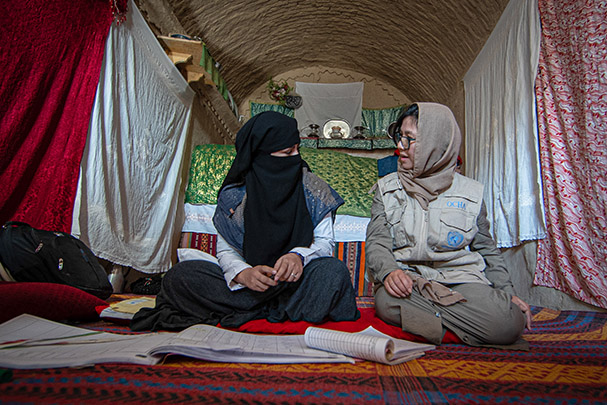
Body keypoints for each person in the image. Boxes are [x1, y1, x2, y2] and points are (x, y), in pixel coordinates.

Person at [131, 111, 359, 331]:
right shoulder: (235, 196)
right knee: (179, 277)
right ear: (260, 155)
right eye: (287, 152)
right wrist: (242, 274)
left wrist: (298, 256)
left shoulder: (313, 189)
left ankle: (249, 311)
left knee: (333, 272)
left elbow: (324, 243)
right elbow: (227, 251)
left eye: (297, 150)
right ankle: (279, 311)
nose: (296, 159)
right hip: (245, 287)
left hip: (295, 283)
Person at [365, 102, 531, 349]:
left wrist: (507, 292)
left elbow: (486, 249)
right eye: (400, 137)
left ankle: (429, 328)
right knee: (387, 301)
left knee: (510, 321)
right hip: (413, 284)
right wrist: (390, 272)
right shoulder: (386, 189)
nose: (400, 147)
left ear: (436, 143)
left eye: (409, 139)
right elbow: (377, 241)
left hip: (463, 283)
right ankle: (469, 330)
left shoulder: (471, 193)